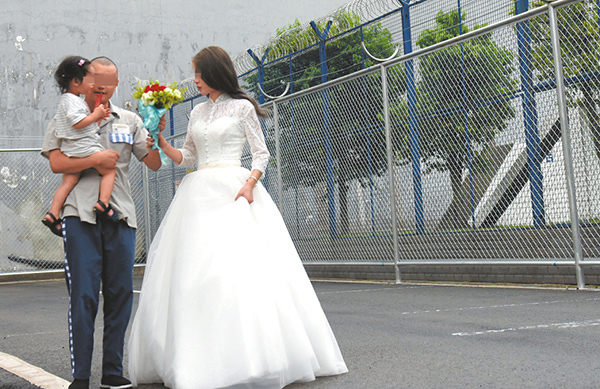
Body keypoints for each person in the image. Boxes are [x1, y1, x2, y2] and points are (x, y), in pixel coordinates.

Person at [127, 46, 348, 389]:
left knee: (239, 272)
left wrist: (249, 185)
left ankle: (255, 356)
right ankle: (198, 357)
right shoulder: (197, 112)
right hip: (198, 194)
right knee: (196, 273)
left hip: (235, 190)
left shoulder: (243, 107)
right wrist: (159, 140)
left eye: (199, 73)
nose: (195, 79)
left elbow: (262, 153)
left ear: (215, 72)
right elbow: (186, 157)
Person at [41, 56, 165, 389]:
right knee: (83, 294)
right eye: (95, 81)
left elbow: (152, 163)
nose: (100, 87)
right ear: (84, 80)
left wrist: (155, 133)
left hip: (120, 214)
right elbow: (55, 162)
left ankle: (112, 370)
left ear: (115, 85)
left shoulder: (131, 120)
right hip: (78, 213)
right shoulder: (67, 117)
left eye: (107, 83)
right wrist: (96, 159)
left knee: (120, 292)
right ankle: (80, 376)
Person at [42, 56, 116, 237]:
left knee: (69, 181)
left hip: (71, 150)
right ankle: (103, 203)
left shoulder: (69, 100)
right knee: (109, 170)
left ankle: (53, 213)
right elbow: (78, 123)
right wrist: (96, 114)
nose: (94, 84)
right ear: (76, 82)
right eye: (90, 79)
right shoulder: (73, 101)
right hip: (83, 147)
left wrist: (97, 116)